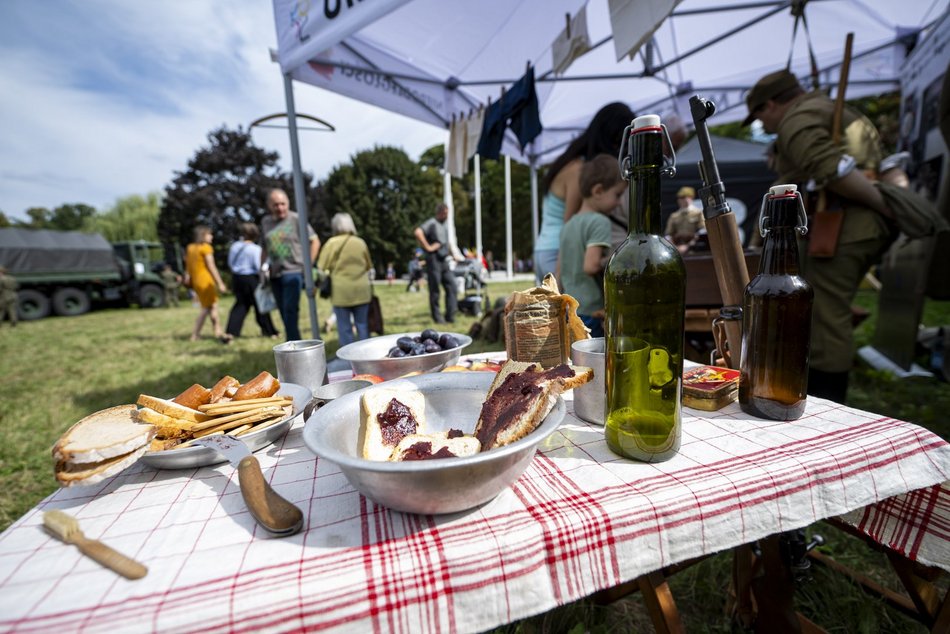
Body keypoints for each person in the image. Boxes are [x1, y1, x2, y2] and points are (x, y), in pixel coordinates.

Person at [742, 69, 897, 403]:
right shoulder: (827, 109)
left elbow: (828, 166)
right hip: (848, 226)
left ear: (770, 104)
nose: (763, 126)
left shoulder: (798, 119)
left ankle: (827, 403)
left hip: (842, 226)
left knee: (826, 319)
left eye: (759, 116)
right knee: (826, 314)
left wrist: (885, 206)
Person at [534, 102, 635, 284]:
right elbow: (569, 224)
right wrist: (560, 277)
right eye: (621, 141)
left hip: (544, 249)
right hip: (556, 252)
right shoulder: (578, 170)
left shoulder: (570, 161)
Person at [556, 154, 628, 338]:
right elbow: (590, 266)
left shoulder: (569, 224)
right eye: (617, 194)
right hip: (591, 308)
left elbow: (560, 271)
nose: (619, 202)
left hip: (570, 306)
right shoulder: (600, 222)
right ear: (598, 191)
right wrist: (621, 259)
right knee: (593, 360)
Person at [261, 188, 320, 341]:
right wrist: (262, 269)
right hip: (275, 274)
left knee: (290, 310)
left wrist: (308, 265)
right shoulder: (266, 222)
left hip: (293, 271)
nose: (280, 208)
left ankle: (293, 345)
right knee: (283, 311)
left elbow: (315, 241)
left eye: (283, 204)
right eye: (276, 205)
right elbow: (264, 248)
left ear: (288, 203)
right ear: (269, 206)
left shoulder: (296, 219)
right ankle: (293, 342)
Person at [317, 212, 373, 347]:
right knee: (362, 325)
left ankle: (348, 359)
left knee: (344, 328)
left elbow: (320, 268)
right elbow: (368, 266)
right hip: (362, 291)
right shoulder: (360, 243)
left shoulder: (331, 243)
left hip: (340, 292)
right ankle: (366, 355)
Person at [224, 222, 279, 341]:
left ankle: (231, 332)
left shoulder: (235, 246)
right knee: (260, 304)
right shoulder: (255, 249)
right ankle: (269, 331)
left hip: (237, 278)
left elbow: (230, 263)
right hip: (251, 278)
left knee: (240, 305)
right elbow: (259, 266)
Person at [414, 203, 460, 323]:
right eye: (445, 213)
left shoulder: (444, 225)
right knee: (435, 290)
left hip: (444, 260)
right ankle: (437, 317)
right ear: (439, 212)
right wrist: (428, 247)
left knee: (452, 286)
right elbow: (418, 232)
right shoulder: (432, 223)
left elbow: (445, 242)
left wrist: (452, 254)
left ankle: (450, 315)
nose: (447, 216)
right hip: (433, 259)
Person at [183, 225, 228, 342]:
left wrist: (187, 277)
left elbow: (188, 265)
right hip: (205, 281)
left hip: (196, 281)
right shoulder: (206, 248)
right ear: (203, 235)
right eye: (209, 234)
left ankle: (217, 331)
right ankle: (195, 334)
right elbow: (211, 266)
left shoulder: (190, 248)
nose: (211, 237)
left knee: (213, 306)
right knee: (206, 308)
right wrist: (220, 283)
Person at [664, 186, 706, 252]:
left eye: (685, 197)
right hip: (677, 247)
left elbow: (702, 232)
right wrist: (675, 247)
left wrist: (688, 246)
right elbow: (668, 234)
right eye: (680, 198)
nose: (682, 200)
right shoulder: (674, 216)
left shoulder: (698, 213)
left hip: (694, 247)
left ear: (691, 198)